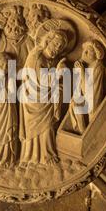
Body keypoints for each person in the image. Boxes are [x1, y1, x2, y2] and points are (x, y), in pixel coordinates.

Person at [19, 19, 75, 166]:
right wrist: (58, 73)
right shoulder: (36, 56)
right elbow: (39, 79)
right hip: (34, 100)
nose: (57, 48)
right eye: (56, 44)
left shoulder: (51, 59)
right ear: (48, 41)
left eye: (60, 47)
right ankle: (32, 157)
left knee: (48, 127)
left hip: (46, 99)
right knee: (37, 129)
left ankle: (46, 154)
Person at [68, 40, 106, 134]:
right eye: (84, 50)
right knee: (74, 103)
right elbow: (79, 87)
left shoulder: (98, 66)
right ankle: (83, 132)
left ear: (97, 54)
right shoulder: (88, 65)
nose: (84, 53)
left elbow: (89, 90)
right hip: (87, 96)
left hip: (93, 100)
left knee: (77, 104)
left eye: (89, 51)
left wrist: (81, 72)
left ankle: (87, 133)